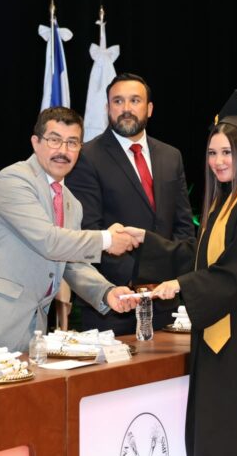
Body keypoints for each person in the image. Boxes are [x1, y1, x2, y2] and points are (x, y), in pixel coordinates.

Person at [123, 94, 237, 455]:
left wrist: (181, 285)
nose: (218, 161)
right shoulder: (224, 202)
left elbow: (236, 271)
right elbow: (200, 258)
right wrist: (147, 241)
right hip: (221, 340)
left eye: (227, 153)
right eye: (212, 153)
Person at [0, 107, 138, 352]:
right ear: (36, 143)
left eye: (72, 143)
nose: (63, 151)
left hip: (30, 329)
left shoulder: (72, 204)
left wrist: (106, 292)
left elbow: (70, 263)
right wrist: (107, 239)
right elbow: (49, 241)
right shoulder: (13, 179)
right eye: (54, 140)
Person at [66, 73, 195, 334]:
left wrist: (171, 278)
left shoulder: (171, 156)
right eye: (118, 101)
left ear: (149, 108)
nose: (126, 108)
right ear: (107, 108)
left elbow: (183, 227)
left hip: (166, 300)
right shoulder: (86, 157)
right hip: (115, 303)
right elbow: (89, 231)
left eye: (135, 100)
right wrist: (140, 282)